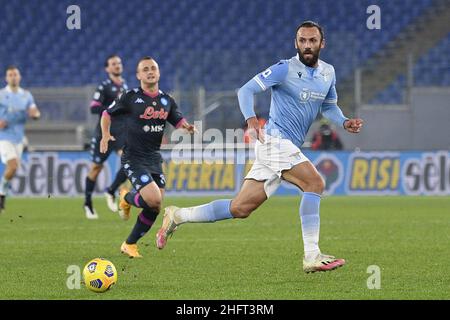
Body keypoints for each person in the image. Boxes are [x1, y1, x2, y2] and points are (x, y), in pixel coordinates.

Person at [156, 21, 364, 273]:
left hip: (280, 147)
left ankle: (178, 215)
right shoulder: (284, 69)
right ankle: (312, 255)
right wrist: (251, 119)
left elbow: (329, 105)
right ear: (295, 43)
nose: (307, 45)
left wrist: (344, 121)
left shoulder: (328, 72)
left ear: (322, 43)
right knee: (315, 183)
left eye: (312, 40)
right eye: (302, 40)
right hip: (275, 141)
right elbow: (245, 90)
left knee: (240, 208)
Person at [100, 56, 195, 258]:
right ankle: (125, 196)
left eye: (153, 68)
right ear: (138, 75)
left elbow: (177, 119)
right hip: (133, 157)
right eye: (145, 69)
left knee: (155, 206)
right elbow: (107, 114)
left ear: (159, 73)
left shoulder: (166, 101)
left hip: (153, 157)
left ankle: (129, 243)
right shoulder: (130, 97)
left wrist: (186, 126)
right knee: (153, 199)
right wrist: (106, 135)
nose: (150, 72)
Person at [84, 55, 129, 219]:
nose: (117, 65)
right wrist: (112, 107)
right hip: (104, 133)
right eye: (113, 64)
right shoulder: (104, 87)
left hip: (121, 133)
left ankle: (111, 190)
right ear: (107, 69)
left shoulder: (125, 85)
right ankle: (88, 204)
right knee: (96, 168)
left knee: (129, 161)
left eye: (119, 63)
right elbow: (94, 108)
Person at [0, 66, 41, 213]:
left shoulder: (26, 95)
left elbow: (34, 110)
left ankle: (2, 192)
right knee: (13, 166)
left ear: (19, 77)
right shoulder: (1, 95)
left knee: (13, 169)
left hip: (19, 138)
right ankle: (2, 193)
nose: (13, 77)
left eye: (15, 74)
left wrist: (35, 115)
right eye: (10, 75)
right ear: (6, 78)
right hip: (4, 137)